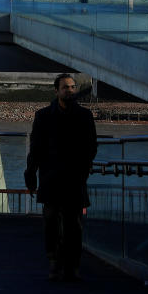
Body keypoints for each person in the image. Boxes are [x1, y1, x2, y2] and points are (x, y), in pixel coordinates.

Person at [24, 74, 97, 281]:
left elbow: (91, 146)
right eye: (66, 87)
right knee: (51, 222)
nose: (70, 90)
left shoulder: (85, 116)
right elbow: (36, 148)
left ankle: (72, 267)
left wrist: (83, 170)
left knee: (74, 225)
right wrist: (30, 174)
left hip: (74, 178)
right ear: (56, 91)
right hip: (51, 178)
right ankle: (54, 261)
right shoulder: (43, 116)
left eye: (73, 87)